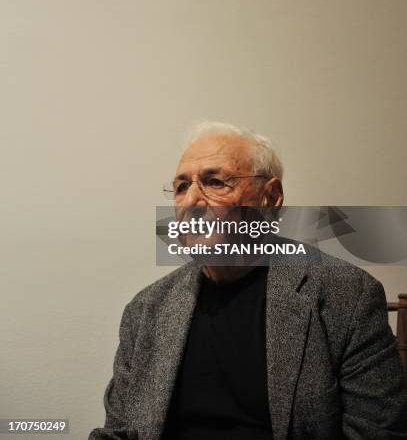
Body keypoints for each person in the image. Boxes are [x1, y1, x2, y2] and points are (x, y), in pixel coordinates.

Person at [89, 122, 407, 439]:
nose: (189, 203)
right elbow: (119, 431)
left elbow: (377, 433)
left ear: (270, 198)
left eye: (214, 182)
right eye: (182, 187)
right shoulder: (145, 311)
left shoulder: (346, 295)